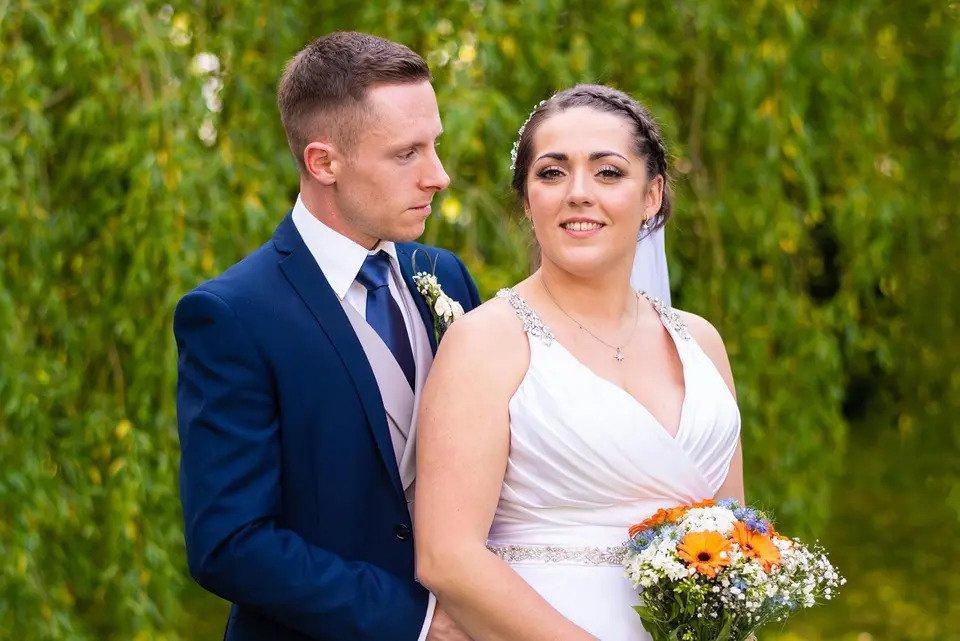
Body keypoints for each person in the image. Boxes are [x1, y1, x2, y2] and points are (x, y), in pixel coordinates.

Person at [174, 32, 478, 640]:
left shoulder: (442, 276)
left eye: (435, 146)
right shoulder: (230, 315)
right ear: (323, 162)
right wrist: (415, 623)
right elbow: (230, 542)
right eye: (406, 154)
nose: (438, 177)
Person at [414, 84, 744, 640]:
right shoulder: (486, 342)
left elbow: (734, 535)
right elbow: (446, 557)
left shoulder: (701, 342)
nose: (578, 193)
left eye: (608, 172)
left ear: (653, 195)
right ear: (526, 198)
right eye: (551, 173)